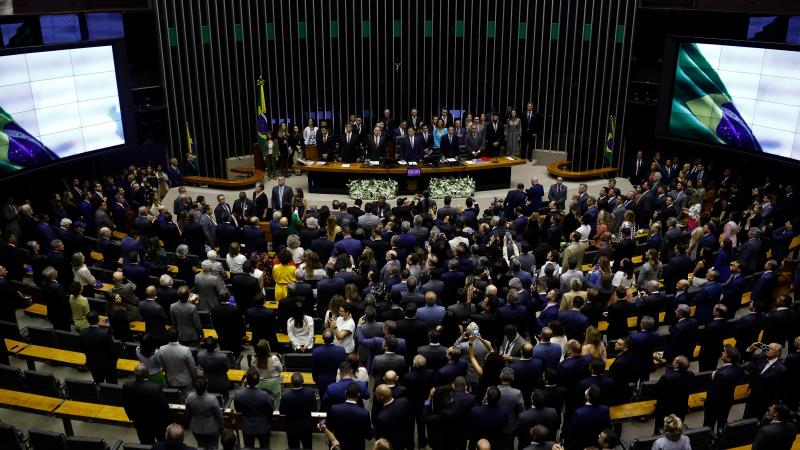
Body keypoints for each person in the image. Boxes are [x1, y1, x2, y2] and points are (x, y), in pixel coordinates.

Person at [123, 364, 172, 445]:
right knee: (162, 443)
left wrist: (131, 416)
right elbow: (164, 407)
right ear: (147, 374)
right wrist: (168, 422)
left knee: (146, 444)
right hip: (157, 422)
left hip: (139, 422)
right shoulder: (155, 388)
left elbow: (125, 403)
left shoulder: (127, 386)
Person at [234, 367, 275, 449]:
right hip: (263, 426)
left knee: (248, 448)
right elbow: (271, 411)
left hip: (247, 427)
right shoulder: (265, 395)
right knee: (265, 447)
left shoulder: (238, 394)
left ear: (246, 379)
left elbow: (238, 409)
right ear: (258, 380)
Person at [327, 382, 373, 450]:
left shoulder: (334, 408)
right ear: (359, 395)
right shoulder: (364, 413)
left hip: (338, 446)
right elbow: (369, 436)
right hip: (357, 447)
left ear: (345, 393)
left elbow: (329, 427)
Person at [654, 356, 693, 434]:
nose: (673, 361)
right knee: (676, 425)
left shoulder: (666, 377)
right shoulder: (690, 375)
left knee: (660, 426)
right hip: (681, 406)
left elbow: (657, 391)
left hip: (665, 407)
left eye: (674, 361)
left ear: (676, 365)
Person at [564, 385, 610, 450]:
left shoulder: (579, 413)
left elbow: (571, 431)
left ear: (588, 396)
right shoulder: (605, 409)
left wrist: (566, 445)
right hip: (598, 442)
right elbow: (607, 425)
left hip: (582, 444)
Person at [279, 372, 317, 449]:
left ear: (291, 383)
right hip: (306, 425)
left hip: (291, 427)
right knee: (307, 446)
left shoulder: (285, 396)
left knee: (293, 447)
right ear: (303, 382)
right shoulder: (310, 393)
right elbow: (314, 408)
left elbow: (282, 411)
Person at [79, 311, 118, 383]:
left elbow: (82, 349)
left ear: (87, 321)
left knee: (98, 382)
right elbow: (112, 350)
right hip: (107, 364)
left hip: (92, 363)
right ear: (98, 320)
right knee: (111, 383)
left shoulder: (82, 333)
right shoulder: (104, 333)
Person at [185, 377, 224, 450]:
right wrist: (222, 426)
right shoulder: (212, 399)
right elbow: (219, 415)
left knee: (201, 446)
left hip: (196, 427)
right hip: (211, 428)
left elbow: (187, 413)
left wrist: (190, 424)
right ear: (207, 386)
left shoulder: (189, 397)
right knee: (213, 447)